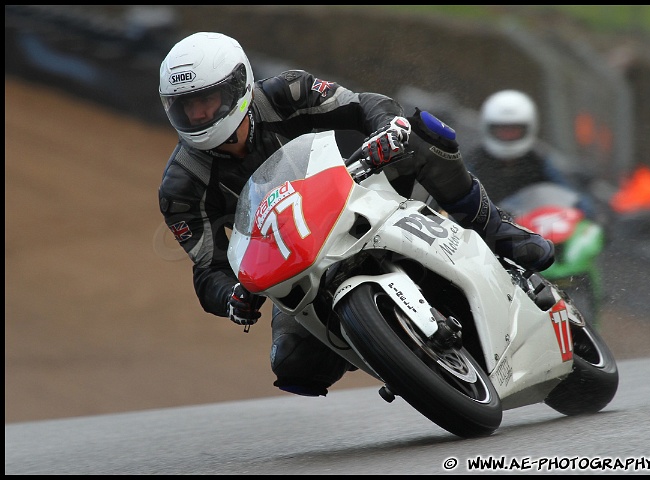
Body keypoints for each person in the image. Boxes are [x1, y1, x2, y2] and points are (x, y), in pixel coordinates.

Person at [157, 32, 554, 398]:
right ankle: (384, 347)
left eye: (205, 101)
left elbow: (366, 104)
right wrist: (232, 297)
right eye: (185, 107)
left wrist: (388, 129)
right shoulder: (180, 187)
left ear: (236, 87)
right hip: (297, 260)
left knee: (421, 132)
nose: (197, 117)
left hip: (359, 189)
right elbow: (208, 269)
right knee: (294, 365)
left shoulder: (287, 92)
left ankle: (496, 230)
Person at [466, 89, 596, 218]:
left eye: (514, 131)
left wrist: (582, 209)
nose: (508, 136)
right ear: (488, 128)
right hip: (484, 233)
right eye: (502, 131)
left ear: (529, 128)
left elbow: (578, 202)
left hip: (535, 234)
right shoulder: (474, 163)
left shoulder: (540, 161)